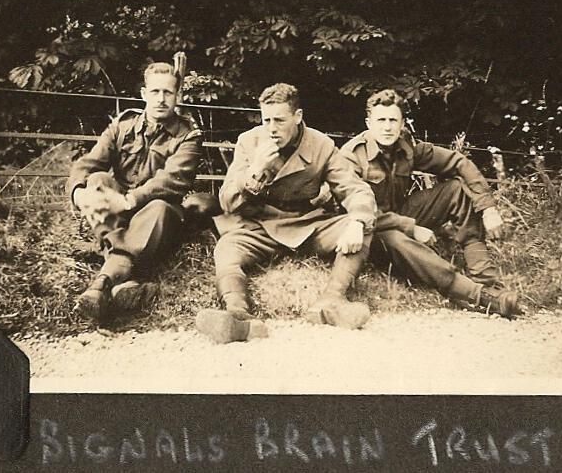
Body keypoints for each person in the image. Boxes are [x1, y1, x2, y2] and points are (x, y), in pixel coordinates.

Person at [195, 83, 377, 344]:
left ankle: (332, 301)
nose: (271, 128)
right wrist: (255, 170)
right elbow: (227, 201)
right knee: (226, 249)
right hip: (260, 225)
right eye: (266, 120)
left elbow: (353, 188)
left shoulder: (321, 145)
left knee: (360, 224)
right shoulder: (249, 142)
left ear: (298, 116)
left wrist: (357, 221)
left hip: (307, 224)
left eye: (279, 120)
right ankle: (238, 316)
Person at [341, 89, 519, 318]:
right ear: (368, 123)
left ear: (402, 123)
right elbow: (355, 212)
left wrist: (488, 208)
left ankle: (487, 282)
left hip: (398, 216)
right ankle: (472, 295)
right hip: (369, 232)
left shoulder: (406, 146)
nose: (387, 127)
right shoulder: (351, 156)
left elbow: (458, 162)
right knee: (396, 238)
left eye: (393, 120)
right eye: (381, 120)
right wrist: (411, 228)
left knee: (456, 189)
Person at [68, 62, 202, 322]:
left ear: (177, 96)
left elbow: (171, 180)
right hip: (119, 212)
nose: (161, 99)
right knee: (97, 180)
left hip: (158, 217)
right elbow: (89, 163)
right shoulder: (122, 126)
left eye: (168, 92)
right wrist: (78, 193)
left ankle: (101, 283)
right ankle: (127, 280)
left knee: (160, 207)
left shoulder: (188, 136)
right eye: (155, 92)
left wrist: (129, 200)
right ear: (144, 94)